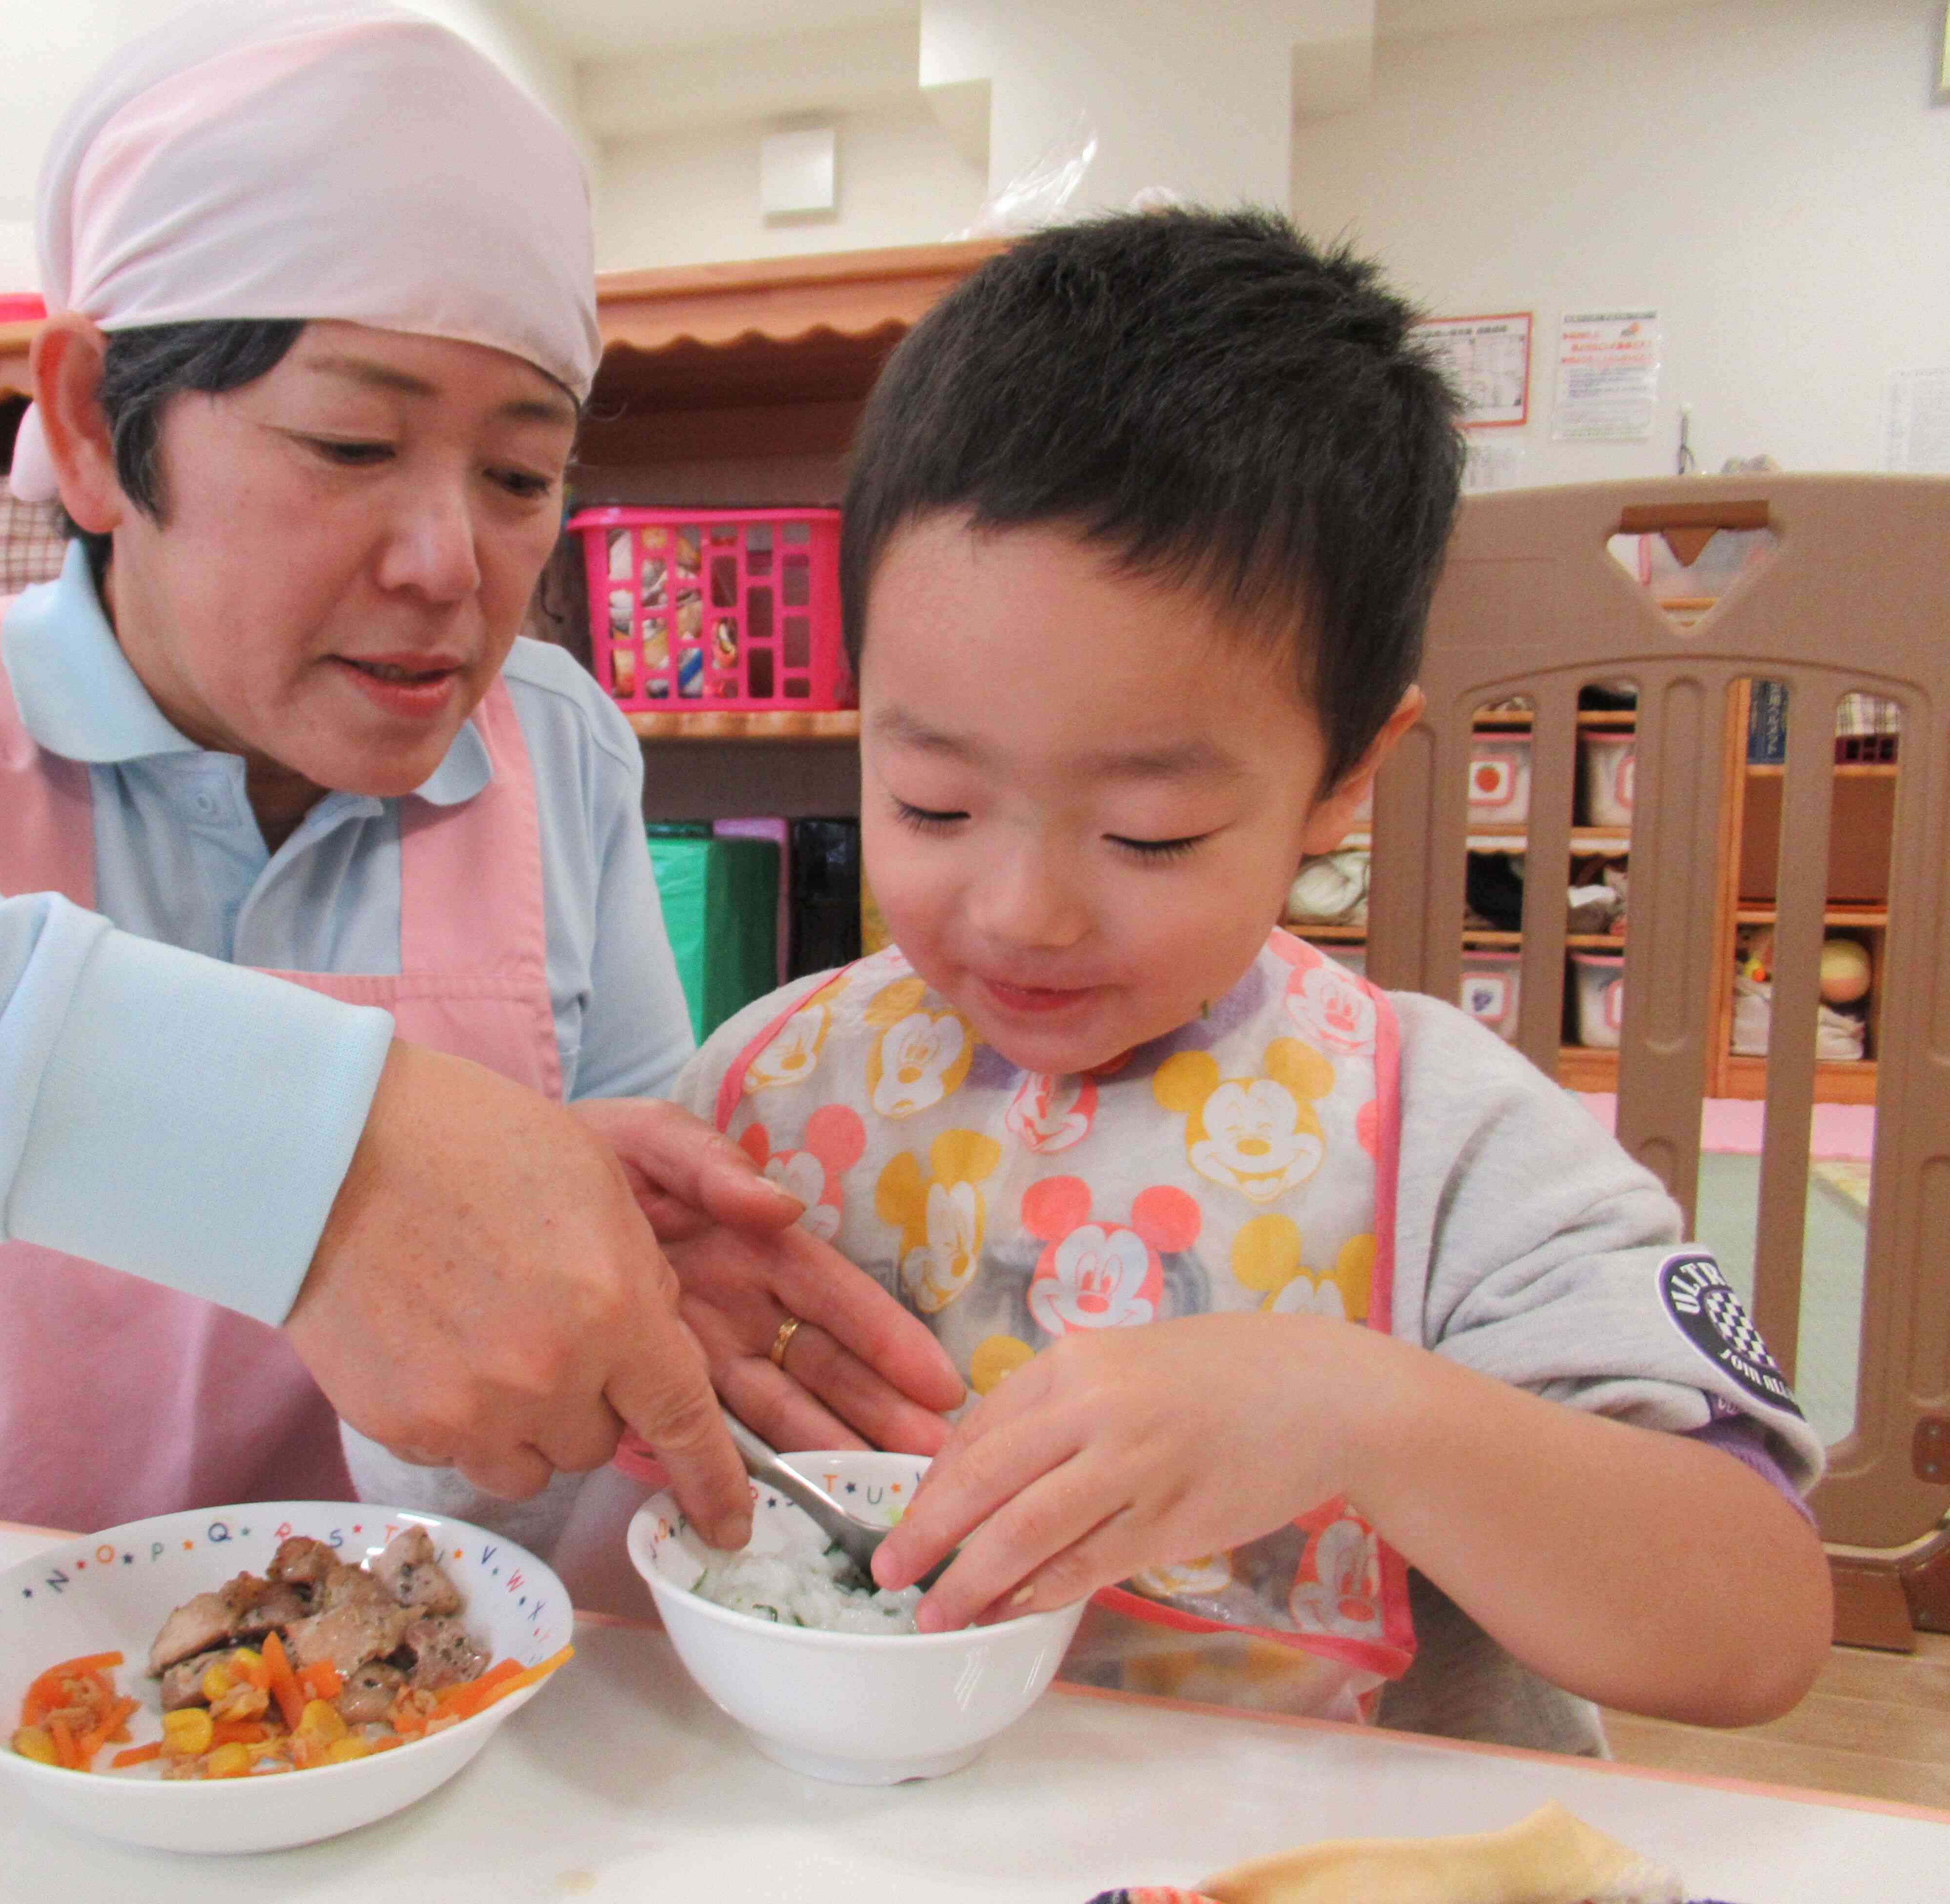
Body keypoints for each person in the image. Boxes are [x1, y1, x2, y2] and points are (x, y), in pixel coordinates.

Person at [0, 0, 959, 1539]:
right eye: (352, 446)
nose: (448, 564)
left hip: (407, 1730)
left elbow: (622, 1243)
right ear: (93, 425)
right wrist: (310, 1158)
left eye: (519, 476)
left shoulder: (552, 745)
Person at [577, 211, 1831, 1750]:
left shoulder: (1446, 1142)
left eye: (1149, 832)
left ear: (1342, 782)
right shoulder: (762, 1095)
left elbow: (1754, 1620)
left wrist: (1355, 1411)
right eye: (932, 804)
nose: (1023, 913)